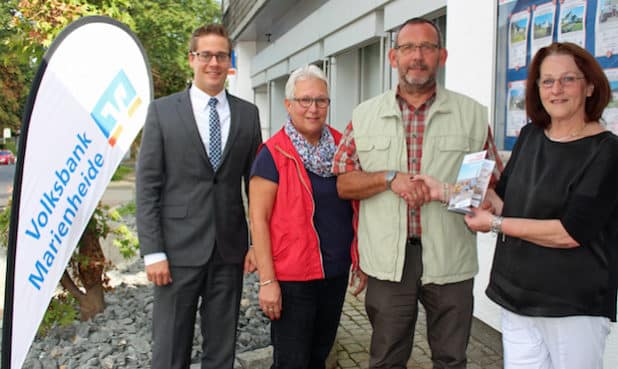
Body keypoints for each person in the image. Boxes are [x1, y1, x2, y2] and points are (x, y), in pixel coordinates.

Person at [333, 18, 502, 369]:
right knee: (386, 358)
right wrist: (389, 179)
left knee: (451, 358)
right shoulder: (365, 115)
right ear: (393, 57)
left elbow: (486, 189)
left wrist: (445, 192)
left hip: (450, 255)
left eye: (427, 47)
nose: (418, 56)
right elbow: (343, 182)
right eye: (408, 47)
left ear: (442, 56)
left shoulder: (471, 115)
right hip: (387, 261)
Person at [460, 42, 617, 369]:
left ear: (589, 86)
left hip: (571, 305)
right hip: (515, 296)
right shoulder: (531, 135)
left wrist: (494, 224)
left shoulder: (606, 152)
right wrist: (475, 196)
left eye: (568, 79)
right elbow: (507, 203)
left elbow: (570, 232)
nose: (556, 90)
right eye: (547, 81)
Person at [136, 24, 262, 369]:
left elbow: (257, 186)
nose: (214, 62)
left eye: (221, 55)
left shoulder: (248, 114)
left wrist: (257, 244)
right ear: (192, 59)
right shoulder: (162, 112)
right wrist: (153, 252)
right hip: (176, 253)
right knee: (170, 349)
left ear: (230, 61)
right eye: (206, 55)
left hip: (229, 250)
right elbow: (147, 187)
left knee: (221, 350)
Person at [249, 64, 367, 369]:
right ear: (289, 105)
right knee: (291, 362)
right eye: (305, 100)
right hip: (292, 277)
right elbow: (258, 221)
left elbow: (358, 206)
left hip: (334, 272)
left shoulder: (344, 146)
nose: (313, 109)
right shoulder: (273, 153)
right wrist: (267, 281)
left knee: (319, 357)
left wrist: (361, 258)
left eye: (321, 100)